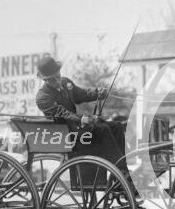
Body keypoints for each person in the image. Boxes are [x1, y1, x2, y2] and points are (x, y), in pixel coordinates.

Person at [34, 56, 140, 198]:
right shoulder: (43, 97)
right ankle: (121, 173)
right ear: (45, 80)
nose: (57, 81)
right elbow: (63, 113)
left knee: (116, 126)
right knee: (103, 129)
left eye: (57, 76)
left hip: (79, 130)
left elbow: (81, 95)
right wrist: (81, 119)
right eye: (52, 79)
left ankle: (122, 171)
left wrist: (97, 93)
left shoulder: (66, 83)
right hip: (67, 135)